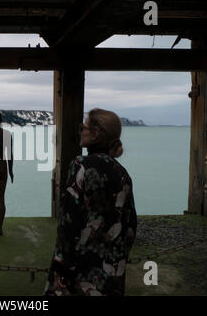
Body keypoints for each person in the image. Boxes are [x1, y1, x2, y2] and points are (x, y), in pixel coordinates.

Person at [44, 108, 137, 296]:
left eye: (83, 127)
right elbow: (130, 226)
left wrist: (61, 265)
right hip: (112, 273)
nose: (81, 131)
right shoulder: (122, 173)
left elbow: (68, 222)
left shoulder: (81, 166)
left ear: (94, 134)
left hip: (81, 270)